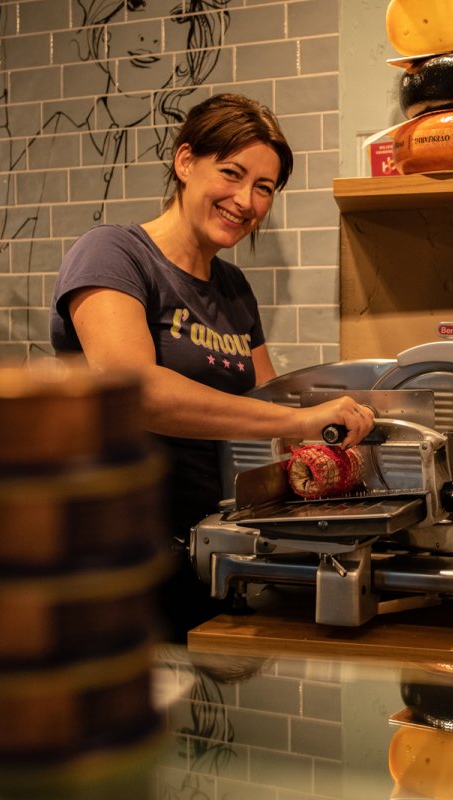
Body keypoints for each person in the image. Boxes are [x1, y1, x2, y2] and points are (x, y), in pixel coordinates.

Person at [49, 93, 374, 640]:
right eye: (232, 173)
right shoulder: (113, 254)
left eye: (264, 187)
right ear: (185, 162)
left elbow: (267, 404)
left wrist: (341, 437)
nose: (245, 200)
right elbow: (138, 394)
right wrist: (301, 420)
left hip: (208, 551)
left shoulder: (233, 288)